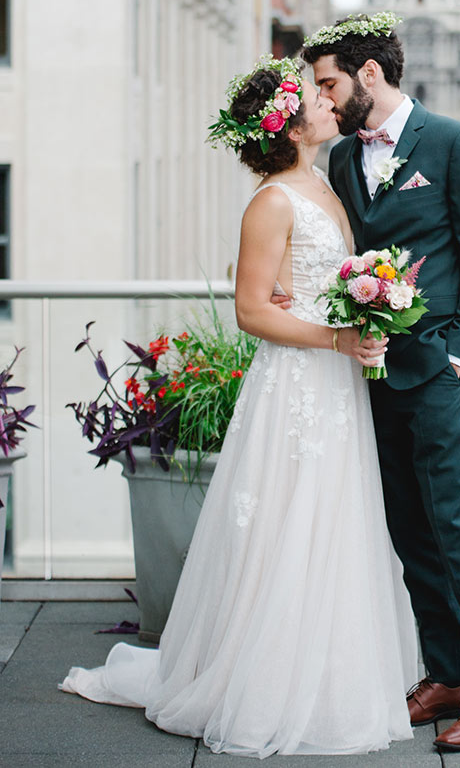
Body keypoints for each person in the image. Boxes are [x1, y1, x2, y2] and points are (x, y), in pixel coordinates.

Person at [61, 56, 417, 758]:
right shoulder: (273, 200)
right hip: (296, 383)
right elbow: (252, 311)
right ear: (286, 124)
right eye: (312, 96)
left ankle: (329, 672)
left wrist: (367, 313)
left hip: (334, 382)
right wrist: (338, 337)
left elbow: (307, 281)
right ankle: (265, 681)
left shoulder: (321, 182)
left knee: (335, 521)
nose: (325, 100)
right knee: (290, 522)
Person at [299, 12, 460, 754]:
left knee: (457, 529)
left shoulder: (455, 144)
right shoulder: (340, 162)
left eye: (329, 84)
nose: (323, 101)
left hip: (440, 373)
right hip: (373, 375)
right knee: (409, 531)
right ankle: (447, 675)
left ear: (370, 73)